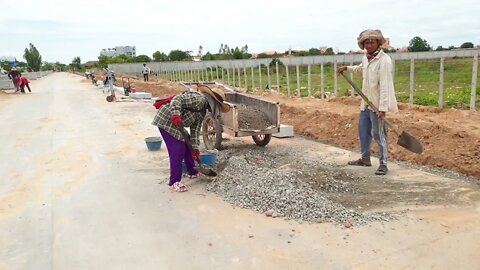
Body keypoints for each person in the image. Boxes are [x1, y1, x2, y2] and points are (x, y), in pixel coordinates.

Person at [337, 29, 398, 175]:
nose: (369, 45)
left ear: (378, 43)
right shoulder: (367, 58)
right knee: (364, 131)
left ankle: (383, 164)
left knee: (379, 134)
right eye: (366, 42)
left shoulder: (384, 61)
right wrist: (347, 68)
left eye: (372, 42)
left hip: (377, 105)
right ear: (363, 44)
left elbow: (385, 86)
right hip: (365, 103)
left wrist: (382, 108)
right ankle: (365, 159)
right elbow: (361, 69)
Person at [151, 85, 230, 192]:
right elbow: (177, 99)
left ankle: (192, 172)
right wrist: (176, 114)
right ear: (213, 101)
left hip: (177, 124)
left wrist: (195, 147)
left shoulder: (202, 111)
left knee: (188, 146)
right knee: (178, 149)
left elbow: (195, 130)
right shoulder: (199, 99)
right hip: (166, 119)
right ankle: (174, 181)